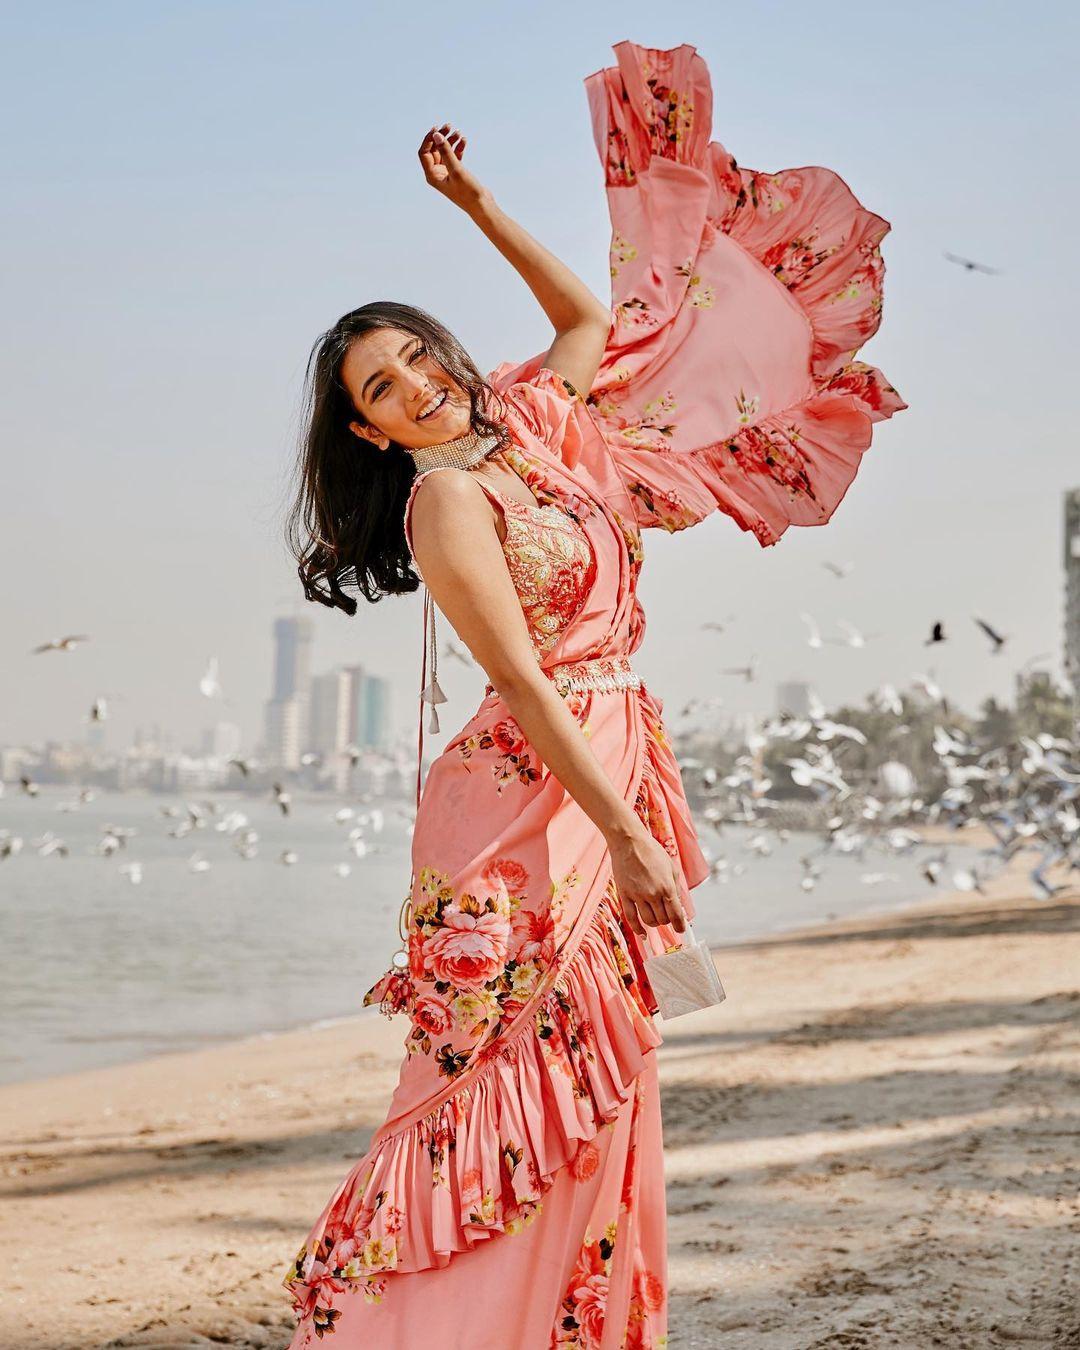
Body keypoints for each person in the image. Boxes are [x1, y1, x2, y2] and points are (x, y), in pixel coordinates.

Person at [281, 40, 904, 1348]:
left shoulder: (542, 423)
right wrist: (622, 834)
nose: (413, 384)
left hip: (607, 754)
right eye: (381, 389)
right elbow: (516, 676)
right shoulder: (446, 498)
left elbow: (583, 323)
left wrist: (478, 206)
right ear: (369, 431)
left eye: (413, 358)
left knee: (605, 1071)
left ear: (443, 356)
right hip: (531, 801)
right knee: (502, 1079)